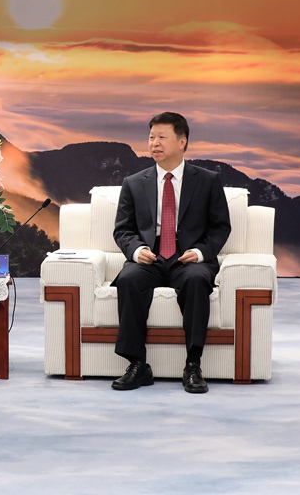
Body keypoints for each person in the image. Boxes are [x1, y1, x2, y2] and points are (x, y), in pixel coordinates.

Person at [110, 112, 231, 394]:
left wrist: (201, 253)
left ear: (182, 141)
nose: (155, 143)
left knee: (196, 279)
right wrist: (136, 249)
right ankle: (137, 364)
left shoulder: (208, 180)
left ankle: (193, 364)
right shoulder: (134, 182)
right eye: (151, 137)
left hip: (187, 257)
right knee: (128, 279)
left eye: (162, 137)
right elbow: (122, 230)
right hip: (149, 256)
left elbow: (220, 228)